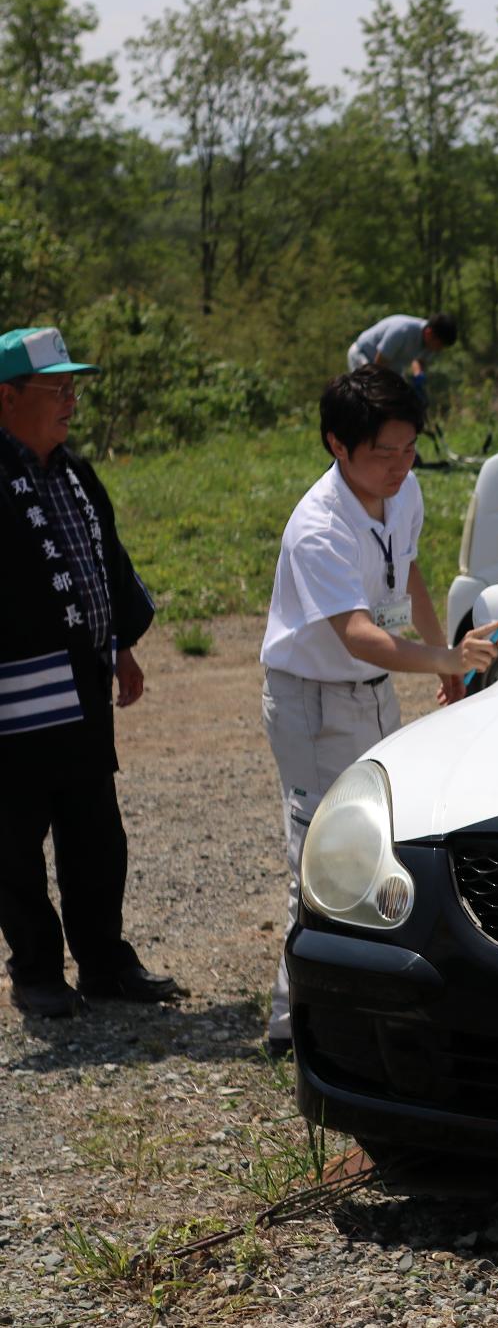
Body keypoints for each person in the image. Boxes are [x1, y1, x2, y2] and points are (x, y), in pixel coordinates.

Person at [259, 366, 498, 1053]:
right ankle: (293, 1018)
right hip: (312, 699)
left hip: (373, 686)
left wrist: (436, 650)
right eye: (382, 453)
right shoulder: (318, 526)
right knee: (316, 852)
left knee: (382, 841)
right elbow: (357, 632)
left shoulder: (405, 490)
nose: (400, 466)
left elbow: (410, 569)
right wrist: (447, 659)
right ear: (337, 445)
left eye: (408, 448)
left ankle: (362, 996)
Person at [0, 326, 180, 1018]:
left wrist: (121, 646)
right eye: (58, 389)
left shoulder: (72, 470)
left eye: (74, 387)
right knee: (15, 841)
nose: (72, 401)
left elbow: (106, 562)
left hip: (81, 684)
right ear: (8, 397)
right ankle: (36, 968)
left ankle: (104, 960)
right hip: (14, 700)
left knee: (96, 832)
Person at [345, 313, 457, 397]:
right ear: (429, 333)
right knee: (369, 396)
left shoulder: (430, 343)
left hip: (389, 366)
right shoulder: (402, 331)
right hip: (363, 356)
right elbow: (379, 364)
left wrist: (418, 376)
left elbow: (419, 361)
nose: (439, 350)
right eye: (440, 345)